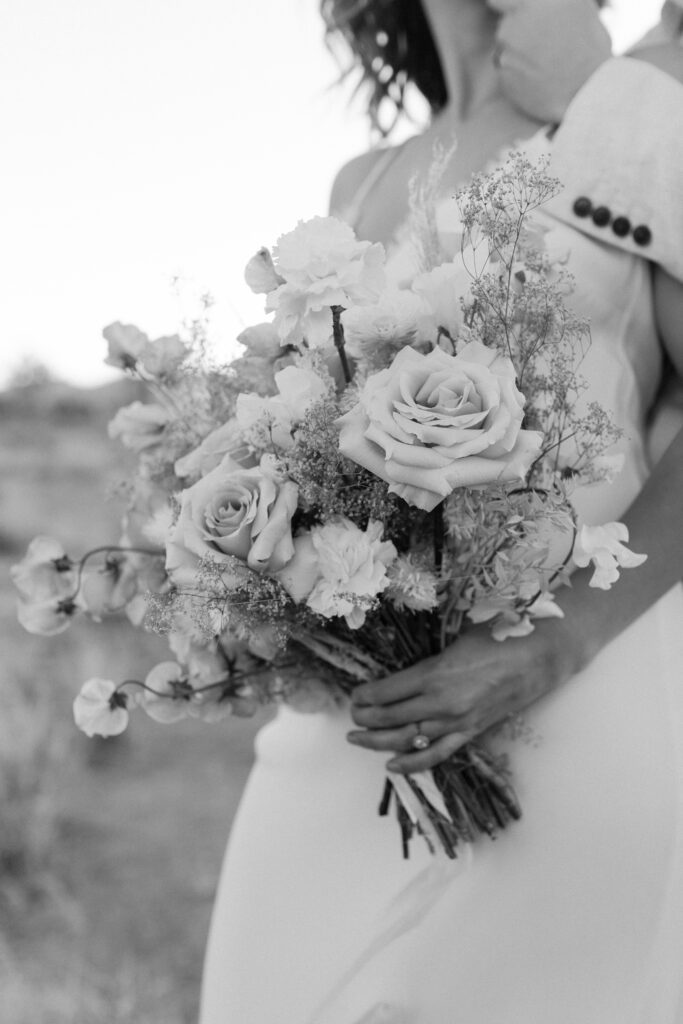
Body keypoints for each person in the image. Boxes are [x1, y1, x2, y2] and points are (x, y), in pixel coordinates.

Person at [199, 2, 683, 1021]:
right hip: (351, 723)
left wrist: (558, 648)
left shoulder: (640, 107)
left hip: (578, 685)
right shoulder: (360, 183)